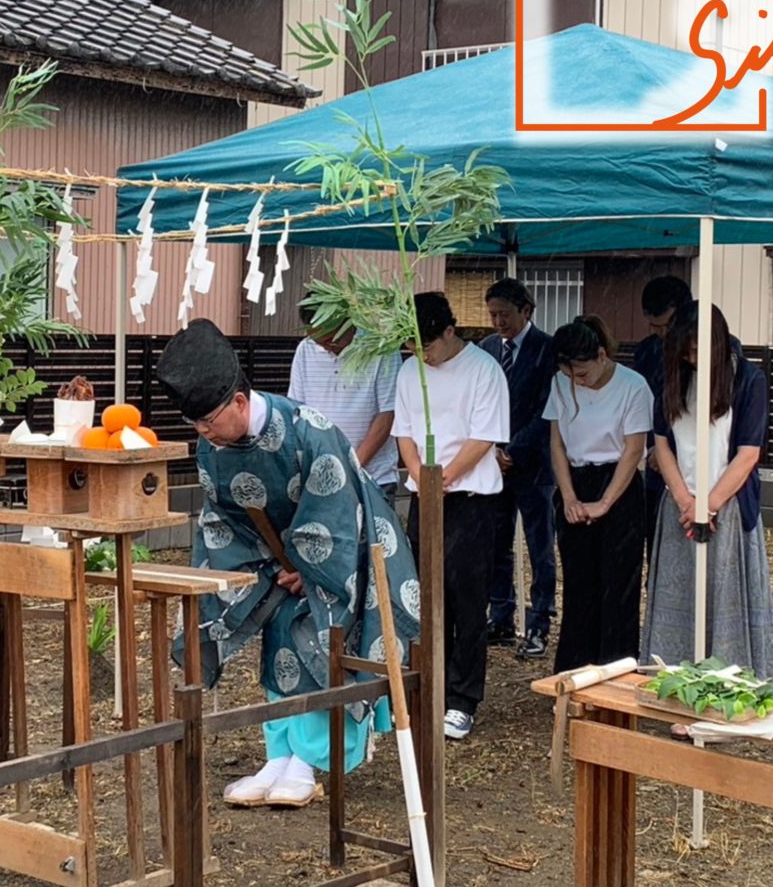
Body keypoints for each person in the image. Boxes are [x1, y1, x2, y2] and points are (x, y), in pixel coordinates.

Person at [157, 320, 422, 808]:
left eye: (209, 421)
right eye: (196, 425)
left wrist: (306, 565)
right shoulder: (211, 446)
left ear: (239, 401)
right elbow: (221, 519)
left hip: (348, 552)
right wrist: (263, 568)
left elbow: (338, 513)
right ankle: (279, 753)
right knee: (279, 635)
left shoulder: (310, 432)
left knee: (319, 634)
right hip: (272, 561)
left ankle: (311, 758)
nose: (204, 433)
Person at [642, 302, 773, 683]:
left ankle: (728, 681)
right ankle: (675, 678)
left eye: (699, 351)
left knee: (724, 594)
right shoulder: (672, 378)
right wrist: (686, 502)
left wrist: (711, 503)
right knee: (681, 592)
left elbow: (748, 453)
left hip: (729, 505)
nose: (693, 359)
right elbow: (662, 443)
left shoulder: (747, 380)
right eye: (685, 352)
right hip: (680, 503)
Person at [392, 292, 509, 741]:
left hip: (470, 498)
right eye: (415, 348)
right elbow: (404, 431)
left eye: (430, 345)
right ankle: (431, 684)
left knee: (466, 599)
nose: (424, 355)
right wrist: (420, 474)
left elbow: (486, 437)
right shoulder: (409, 371)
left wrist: (444, 476)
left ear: (449, 330)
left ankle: (463, 698)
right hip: (426, 492)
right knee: (426, 595)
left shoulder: (484, 370)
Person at [544, 315, 652, 672]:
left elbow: (634, 449)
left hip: (618, 484)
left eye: (583, 374)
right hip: (575, 479)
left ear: (602, 356)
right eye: (571, 375)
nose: (578, 381)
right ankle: (575, 668)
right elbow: (556, 443)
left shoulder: (633, 386)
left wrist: (605, 502)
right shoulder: (561, 384)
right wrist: (570, 497)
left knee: (619, 585)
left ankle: (616, 669)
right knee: (578, 584)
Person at [476, 278, 558, 660]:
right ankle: (501, 615)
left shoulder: (547, 349)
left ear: (526, 310)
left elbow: (548, 409)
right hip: (493, 461)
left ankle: (540, 620)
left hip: (536, 463)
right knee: (496, 542)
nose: (498, 322)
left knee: (540, 545)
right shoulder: (486, 349)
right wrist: (492, 448)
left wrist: (516, 447)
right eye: (492, 315)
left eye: (505, 314)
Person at [288, 299, 402, 501]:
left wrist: (351, 467)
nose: (328, 347)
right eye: (321, 343)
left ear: (348, 322)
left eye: (333, 340)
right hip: (320, 476)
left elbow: (388, 414)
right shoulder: (305, 350)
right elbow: (298, 412)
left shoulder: (381, 349)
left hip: (373, 476)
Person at [630, 275, 694, 574]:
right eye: (654, 327)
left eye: (666, 326)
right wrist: (653, 446)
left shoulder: (717, 348)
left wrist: (672, 448)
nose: (661, 333)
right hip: (655, 465)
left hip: (700, 465)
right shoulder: (646, 350)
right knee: (656, 549)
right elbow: (641, 405)